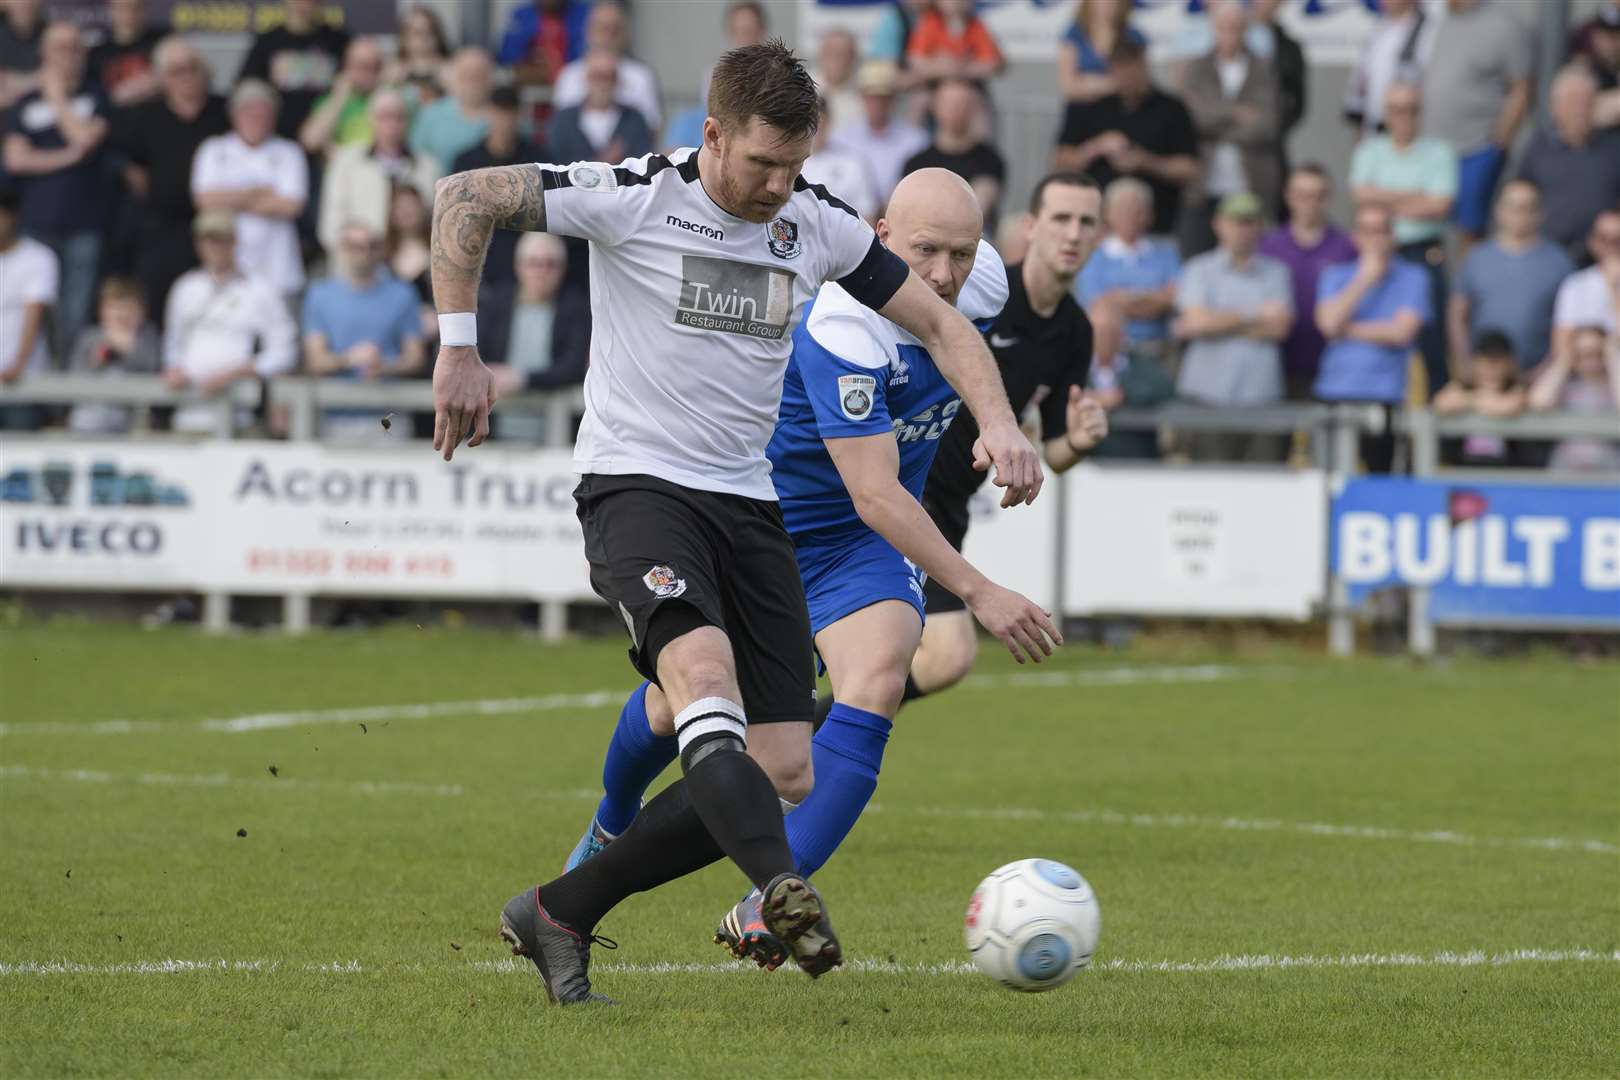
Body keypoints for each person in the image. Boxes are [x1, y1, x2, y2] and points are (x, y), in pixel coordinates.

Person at [427, 38, 1043, 1004]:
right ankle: (779, 887)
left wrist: (1002, 424)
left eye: (795, 165)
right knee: (703, 685)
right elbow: (467, 196)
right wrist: (459, 348)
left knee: (786, 765)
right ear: (712, 134)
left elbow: (942, 323)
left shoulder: (814, 222)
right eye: (761, 163)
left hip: (747, 503)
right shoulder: (635, 191)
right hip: (639, 488)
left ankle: (559, 909)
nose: (777, 186)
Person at [568, 170, 1063, 969]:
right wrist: (979, 590)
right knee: (672, 709)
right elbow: (873, 492)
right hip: (763, 526)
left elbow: (962, 343)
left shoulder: (983, 279)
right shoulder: (843, 323)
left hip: (856, 547)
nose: (942, 274)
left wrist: (998, 423)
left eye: (961, 254)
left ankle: (768, 907)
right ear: (880, 236)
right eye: (924, 251)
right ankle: (610, 819)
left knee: (877, 678)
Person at [906, 172, 1109, 702]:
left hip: (948, 506)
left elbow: (1055, 452)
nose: (1073, 233)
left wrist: (1081, 441)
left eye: (1086, 222)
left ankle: (801, 756)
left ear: (1099, 236)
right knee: (933, 653)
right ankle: (795, 752)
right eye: (1061, 218)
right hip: (899, 483)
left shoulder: (1075, 331)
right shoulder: (982, 288)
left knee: (921, 662)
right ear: (1031, 226)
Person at [3, 21, 109, 352]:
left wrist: (56, 97)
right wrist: (69, 156)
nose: (68, 55)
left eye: (75, 47)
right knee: (34, 314)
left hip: (84, 223)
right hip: (36, 223)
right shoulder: (26, 103)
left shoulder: (95, 94)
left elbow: (85, 139)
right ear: (44, 53)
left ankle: (66, 397)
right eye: (60, 47)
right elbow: (16, 160)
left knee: (75, 315)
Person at [109, 36, 228, 324]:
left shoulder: (225, 111)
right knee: (158, 304)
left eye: (192, 67)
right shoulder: (146, 116)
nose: (186, 76)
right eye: (176, 70)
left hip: (216, 226)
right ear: (162, 77)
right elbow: (124, 157)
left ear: (206, 71)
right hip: (162, 229)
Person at [1350, 82, 1455, 397]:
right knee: (1376, 335)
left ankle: (1440, 434)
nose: (1404, 117)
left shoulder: (1439, 151)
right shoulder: (1369, 150)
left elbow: (1440, 205)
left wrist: (1384, 199)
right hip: (1378, 255)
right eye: (1397, 110)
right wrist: (1415, 195)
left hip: (1423, 254)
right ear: (1386, 113)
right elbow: (1361, 197)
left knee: (1431, 341)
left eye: (1412, 109)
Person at [1173, 191, 1294, 462]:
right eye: (1236, 221)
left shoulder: (1277, 272)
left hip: (1260, 395)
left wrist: (1217, 323)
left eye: (1250, 222)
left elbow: (1279, 328)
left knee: (1263, 481)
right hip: (1207, 395)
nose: (1243, 229)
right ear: (1218, 224)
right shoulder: (1199, 269)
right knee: (1208, 481)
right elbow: (1195, 324)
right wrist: (1254, 315)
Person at [1313, 203, 1430, 474]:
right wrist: (1365, 279)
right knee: (1328, 478)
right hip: (1335, 390)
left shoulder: (1413, 277)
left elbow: (1402, 333)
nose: (1375, 239)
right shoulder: (1336, 275)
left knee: (1382, 478)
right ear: (1356, 237)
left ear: (1393, 235)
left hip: (1386, 393)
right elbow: (1328, 324)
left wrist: (1347, 329)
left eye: (1381, 231)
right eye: (1367, 231)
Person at [162, 210, 297, 434]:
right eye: (209, 240)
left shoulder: (259, 289)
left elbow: (285, 350)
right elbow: (173, 345)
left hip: (239, 415)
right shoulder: (185, 288)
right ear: (199, 245)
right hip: (188, 412)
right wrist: (175, 368)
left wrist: (240, 371)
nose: (216, 247)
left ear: (235, 242)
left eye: (222, 240)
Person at [1052, 39, 1198, 239]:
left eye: (1132, 70)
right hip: (1096, 228)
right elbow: (1060, 161)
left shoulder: (1171, 108)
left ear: (1144, 67)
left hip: (1157, 228)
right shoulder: (1089, 106)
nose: (1127, 78)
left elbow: (1189, 168)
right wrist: (1096, 147)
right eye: (1121, 71)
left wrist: (1144, 161)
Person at [1421, 0, 1532, 248]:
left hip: (1475, 148)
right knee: (1427, 229)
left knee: (1470, 232)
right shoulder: (1441, 21)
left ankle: (1468, 286)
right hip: (1432, 149)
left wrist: (1497, 143)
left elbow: (1522, 89)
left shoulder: (1504, 26)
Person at [302, 220, 425, 441]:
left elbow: (415, 357)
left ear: (380, 249)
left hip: (389, 418)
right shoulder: (320, 295)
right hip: (336, 417)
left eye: (371, 246)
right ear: (342, 248)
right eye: (355, 246)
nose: (363, 253)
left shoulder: (402, 294)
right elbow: (315, 361)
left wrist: (385, 366)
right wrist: (349, 359)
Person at [191, 79, 308, 300]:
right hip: (227, 269)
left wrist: (230, 197)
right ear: (234, 115)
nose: (257, 119)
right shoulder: (214, 149)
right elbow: (204, 200)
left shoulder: (289, 152)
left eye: (263, 113)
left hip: (278, 269)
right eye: (249, 112)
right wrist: (260, 193)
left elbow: (291, 205)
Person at [1448, 181, 1574, 381]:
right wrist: (1465, 364)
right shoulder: (1476, 258)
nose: (1520, 214)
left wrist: (1549, 369)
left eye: (1528, 207)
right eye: (1513, 206)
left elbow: (1570, 322)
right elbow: (1458, 314)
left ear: (1540, 213)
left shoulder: (1559, 262)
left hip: (1541, 378)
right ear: (1499, 210)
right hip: (1484, 378)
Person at [1182, 0, 1282, 249]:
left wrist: (1216, 120)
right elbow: (1193, 119)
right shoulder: (1197, 68)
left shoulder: (1264, 68)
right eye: (1224, 27)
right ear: (1214, 29)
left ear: (1246, 29)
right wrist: (1237, 112)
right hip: (1205, 184)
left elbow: (1267, 124)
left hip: (1252, 180)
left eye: (1236, 28)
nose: (1230, 34)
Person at [477, 232, 589, 442]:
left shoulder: (575, 307)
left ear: (563, 269)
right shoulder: (496, 304)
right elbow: (476, 356)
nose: (542, 271)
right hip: (494, 426)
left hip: (557, 430)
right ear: (519, 266)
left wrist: (523, 378)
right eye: (534, 263)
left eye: (551, 264)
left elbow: (573, 367)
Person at [1260, 163, 1357, 400]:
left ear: (1327, 199)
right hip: (1278, 360)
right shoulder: (1268, 245)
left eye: (1317, 196)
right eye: (1301, 195)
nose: (1309, 203)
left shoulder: (1346, 247)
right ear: (1288, 196)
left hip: (1331, 362)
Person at [319, 89, 438, 265]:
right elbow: (331, 224)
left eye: (398, 116)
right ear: (371, 119)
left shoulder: (428, 166)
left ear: (408, 121)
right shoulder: (346, 162)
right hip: (358, 264)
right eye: (384, 116)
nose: (391, 123)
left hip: (413, 265)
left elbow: (435, 221)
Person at [1516, 67, 1620, 264]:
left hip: (1601, 260)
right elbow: (1520, 195)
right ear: (1554, 107)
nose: (1580, 110)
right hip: (1544, 256)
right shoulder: (1538, 149)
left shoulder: (1615, 149)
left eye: (1586, 102)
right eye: (1572, 102)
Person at [1075, 177, 1179, 360]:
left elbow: (1174, 299)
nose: (1131, 215)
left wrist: (1120, 298)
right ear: (1108, 213)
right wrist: (1152, 298)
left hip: (1157, 350)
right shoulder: (1092, 256)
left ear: (1150, 214)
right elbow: (1097, 304)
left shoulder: (1167, 253)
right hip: (1106, 352)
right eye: (1123, 209)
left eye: (1138, 209)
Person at [452, 86, 544, 287]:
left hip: (525, 252)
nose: (504, 122)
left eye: (510, 114)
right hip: (481, 253)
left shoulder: (537, 160)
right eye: (499, 114)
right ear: (489, 113)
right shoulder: (466, 163)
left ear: (519, 116)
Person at [236, 0, 347, 140]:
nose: (303, 5)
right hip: (277, 137)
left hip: (325, 134)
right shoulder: (269, 41)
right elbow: (247, 87)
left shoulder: (338, 41)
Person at [902, 78, 1005, 228]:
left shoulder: (990, 161)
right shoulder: (916, 162)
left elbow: (978, 210)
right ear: (934, 106)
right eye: (949, 103)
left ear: (973, 109)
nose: (956, 110)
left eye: (962, 104)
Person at [65, 276, 161, 434]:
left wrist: (127, 350)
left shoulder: (148, 336)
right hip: (90, 417)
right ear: (102, 311)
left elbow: (152, 369)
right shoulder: (89, 337)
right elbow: (73, 377)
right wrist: (97, 360)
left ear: (142, 312)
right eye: (115, 308)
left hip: (132, 418)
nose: (122, 314)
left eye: (129, 308)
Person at [829, 60, 928, 209]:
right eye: (871, 97)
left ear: (894, 99)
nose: (877, 104)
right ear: (861, 97)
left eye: (883, 97)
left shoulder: (915, 140)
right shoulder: (842, 138)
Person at [552, 1, 661, 133]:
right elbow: (561, 128)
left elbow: (652, 127)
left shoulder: (641, 76)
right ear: (589, 31)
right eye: (602, 28)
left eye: (615, 29)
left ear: (625, 34)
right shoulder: (569, 75)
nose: (608, 36)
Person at [0, 189, 56, 431]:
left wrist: (17, 365)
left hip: (21, 383)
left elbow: (34, 314)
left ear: (12, 217)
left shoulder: (38, 257)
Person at [1528, 325, 1620, 472]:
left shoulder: (1614, 385)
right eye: (1582, 354)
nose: (1591, 361)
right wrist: (1565, 360)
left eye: (1597, 353)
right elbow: (1539, 402)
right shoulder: (1566, 385)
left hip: (1608, 468)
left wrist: (1613, 356)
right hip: (1566, 468)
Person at [1431, 329, 1526, 468]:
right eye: (1486, 362)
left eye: (1497, 362)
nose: (1492, 369)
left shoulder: (1515, 388)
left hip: (1505, 472)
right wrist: (1481, 398)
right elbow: (1440, 403)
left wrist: (1471, 402)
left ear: (1509, 364)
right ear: (1475, 363)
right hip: (1463, 468)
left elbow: (1512, 404)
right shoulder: (1464, 386)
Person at [1343, 0, 1434, 136]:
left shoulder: (1428, 31)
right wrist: (1358, 123)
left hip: (1409, 132)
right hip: (1374, 129)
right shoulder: (1378, 28)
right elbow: (1362, 80)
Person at [546, 50, 653, 166]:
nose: (602, 84)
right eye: (596, 76)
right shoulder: (564, 119)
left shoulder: (634, 119)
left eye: (608, 77)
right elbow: (555, 162)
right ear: (586, 78)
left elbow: (642, 163)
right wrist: (601, 161)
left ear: (617, 81)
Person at [409, 46, 493, 176]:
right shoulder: (431, 115)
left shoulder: (505, 116)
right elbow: (416, 160)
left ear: (490, 79)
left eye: (479, 76)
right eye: (466, 75)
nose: (472, 83)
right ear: (454, 77)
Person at [298, 36, 386, 159]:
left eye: (376, 66)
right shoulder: (331, 101)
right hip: (343, 171)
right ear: (347, 66)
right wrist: (339, 99)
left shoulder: (389, 100)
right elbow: (310, 141)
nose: (370, 72)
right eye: (363, 66)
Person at [1550, 212, 1620, 361]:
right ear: (1592, 241)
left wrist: (1613, 288)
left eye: (1617, 240)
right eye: (1604, 239)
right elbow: (1562, 347)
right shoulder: (1575, 284)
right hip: (1582, 376)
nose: (1612, 246)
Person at [1057, 0, 1145, 114]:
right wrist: (1115, 84)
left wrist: (1088, 82)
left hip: (1123, 113)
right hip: (1082, 114)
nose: (1107, 5)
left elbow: (1139, 84)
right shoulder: (1073, 35)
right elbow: (1069, 87)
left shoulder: (1134, 36)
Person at [801, 96, 879, 223]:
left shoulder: (853, 162)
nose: (814, 129)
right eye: (809, 123)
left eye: (819, 122)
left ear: (829, 122)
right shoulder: (786, 163)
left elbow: (868, 215)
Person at [906, 0, 1005, 87]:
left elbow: (992, 62)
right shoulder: (930, 23)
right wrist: (940, 68)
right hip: (934, 84)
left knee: (957, 94)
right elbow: (915, 59)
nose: (955, 2)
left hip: (967, 84)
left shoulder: (975, 25)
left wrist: (962, 69)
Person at [86, 0, 163, 108]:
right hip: (114, 119)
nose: (128, 15)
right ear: (111, 10)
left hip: (157, 115)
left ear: (144, 9)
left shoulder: (161, 42)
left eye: (134, 8)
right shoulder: (97, 54)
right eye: (121, 8)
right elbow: (92, 95)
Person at [498, 0, 589, 89]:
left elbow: (588, 57)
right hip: (529, 89)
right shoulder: (522, 15)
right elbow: (508, 59)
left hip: (576, 86)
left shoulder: (586, 14)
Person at [385, 5, 451, 97]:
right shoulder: (393, 72)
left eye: (430, 32)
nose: (424, 38)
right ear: (404, 38)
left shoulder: (449, 71)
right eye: (418, 33)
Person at [810, 28, 861, 134]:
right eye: (829, 53)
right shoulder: (804, 86)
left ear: (853, 57)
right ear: (820, 55)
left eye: (841, 54)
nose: (835, 59)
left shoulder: (864, 92)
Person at [0, 0, 42, 111]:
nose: (24, 2)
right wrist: (37, 80)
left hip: (42, 106)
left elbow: (59, 77)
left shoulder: (52, 33)